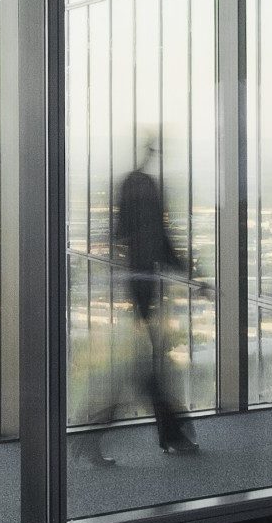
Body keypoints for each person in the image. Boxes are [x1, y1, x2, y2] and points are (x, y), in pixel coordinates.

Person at [77, 136, 202, 461]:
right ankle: (168, 434)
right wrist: (190, 275)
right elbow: (161, 238)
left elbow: (126, 233)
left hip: (137, 286)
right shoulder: (146, 187)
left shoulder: (131, 185)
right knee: (146, 369)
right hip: (145, 289)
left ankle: (163, 434)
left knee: (146, 368)